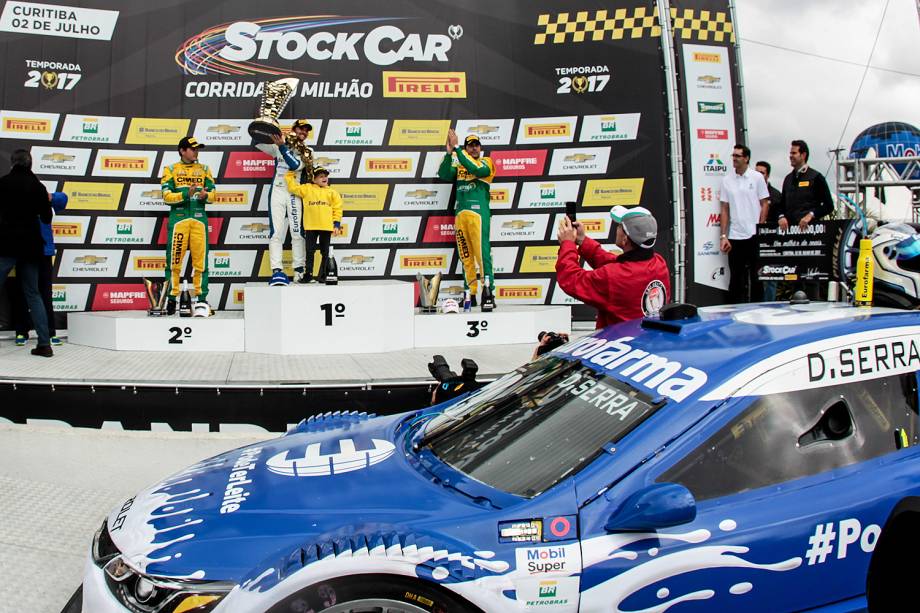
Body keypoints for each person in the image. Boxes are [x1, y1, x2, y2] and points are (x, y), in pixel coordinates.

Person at [555, 205, 670, 329]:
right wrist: (583, 241)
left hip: (618, 343)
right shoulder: (658, 262)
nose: (617, 228)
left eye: (620, 226)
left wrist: (567, 243)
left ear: (625, 239)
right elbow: (616, 264)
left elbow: (571, 279)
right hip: (648, 341)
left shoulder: (614, 277)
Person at [0, 149, 54, 356]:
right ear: (30, 165)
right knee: (33, 293)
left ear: (13, 164)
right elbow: (47, 219)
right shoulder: (38, 187)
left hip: (6, 243)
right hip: (31, 246)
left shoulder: (3, 183)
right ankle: (44, 344)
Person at [437, 130, 495, 304]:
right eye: (470, 145)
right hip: (461, 213)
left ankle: (488, 291)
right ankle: (470, 294)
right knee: (466, 256)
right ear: (467, 148)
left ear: (480, 148)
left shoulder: (487, 162)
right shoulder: (459, 163)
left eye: (476, 145)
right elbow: (444, 174)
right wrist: (449, 154)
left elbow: (476, 169)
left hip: (478, 213)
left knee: (482, 254)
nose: (474, 148)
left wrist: (457, 148)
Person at [161, 136, 214, 316]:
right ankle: (171, 299)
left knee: (201, 263)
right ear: (182, 151)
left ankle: (202, 300)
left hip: (199, 219)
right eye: (193, 149)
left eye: (197, 149)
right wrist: (185, 194)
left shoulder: (205, 169)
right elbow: (166, 197)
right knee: (174, 263)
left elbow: (213, 194)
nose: (196, 152)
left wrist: (205, 196)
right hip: (179, 220)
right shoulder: (170, 170)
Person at [258, 119, 313, 285]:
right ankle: (277, 271)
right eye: (300, 129)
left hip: (294, 193)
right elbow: (257, 141)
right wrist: (264, 122)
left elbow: (295, 165)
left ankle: (299, 271)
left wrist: (282, 146)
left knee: (297, 233)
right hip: (277, 191)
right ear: (294, 129)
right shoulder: (278, 144)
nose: (303, 132)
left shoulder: (307, 150)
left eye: (306, 130)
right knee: (276, 233)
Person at [11, 191, 68, 346]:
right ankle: (22, 331)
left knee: (45, 292)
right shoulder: (16, 201)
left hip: (44, 252)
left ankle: (50, 333)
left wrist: (50, 196)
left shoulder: (43, 197)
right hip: (23, 252)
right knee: (22, 292)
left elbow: (62, 200)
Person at [719, 144, 770, 303]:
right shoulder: (727, 180)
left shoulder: (757, 177)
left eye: (738, 156)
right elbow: (725, 209)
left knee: (757, 278)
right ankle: (731, 315)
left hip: (753, 235)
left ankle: (758, 312)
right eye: (733, 155)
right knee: (735, 279)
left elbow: (765, 203)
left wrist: (760, 228)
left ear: (746, 158)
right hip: (735, 236)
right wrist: (723, 235)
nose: (734, 158)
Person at [285, 166, 342, 283]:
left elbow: (337, 209)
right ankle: (308, 275)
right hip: (311, 226)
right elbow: (293, 188)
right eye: (321, 176)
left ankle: (323, 275)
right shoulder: (307, 188)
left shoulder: (332, 192)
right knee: (310, 251)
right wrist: (290, 175)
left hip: (326, 227)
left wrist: (336, 224)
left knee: (325, 252)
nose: (324, 178)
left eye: (325, 176)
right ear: (314, 179)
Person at [776, 139, 834, 232]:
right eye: (790, 153)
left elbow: (829, 206)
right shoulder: (788, 179)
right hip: (790, 235)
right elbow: (781, 205)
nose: (790, 156)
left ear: (803, 155)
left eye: (794, 153)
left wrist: (810, 215)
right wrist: (781, 216)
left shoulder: (816, 177)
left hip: (811, 233)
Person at [754, 160, 783, 301]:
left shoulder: (775, 194)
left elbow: (782, 215)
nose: (758, 175)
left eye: (762, 173)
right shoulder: (748, 192)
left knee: (770, 277)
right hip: (752, 240)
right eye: (756, 172)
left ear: (768, 175)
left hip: (771, 243)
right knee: (754, 277)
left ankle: (769, 306)